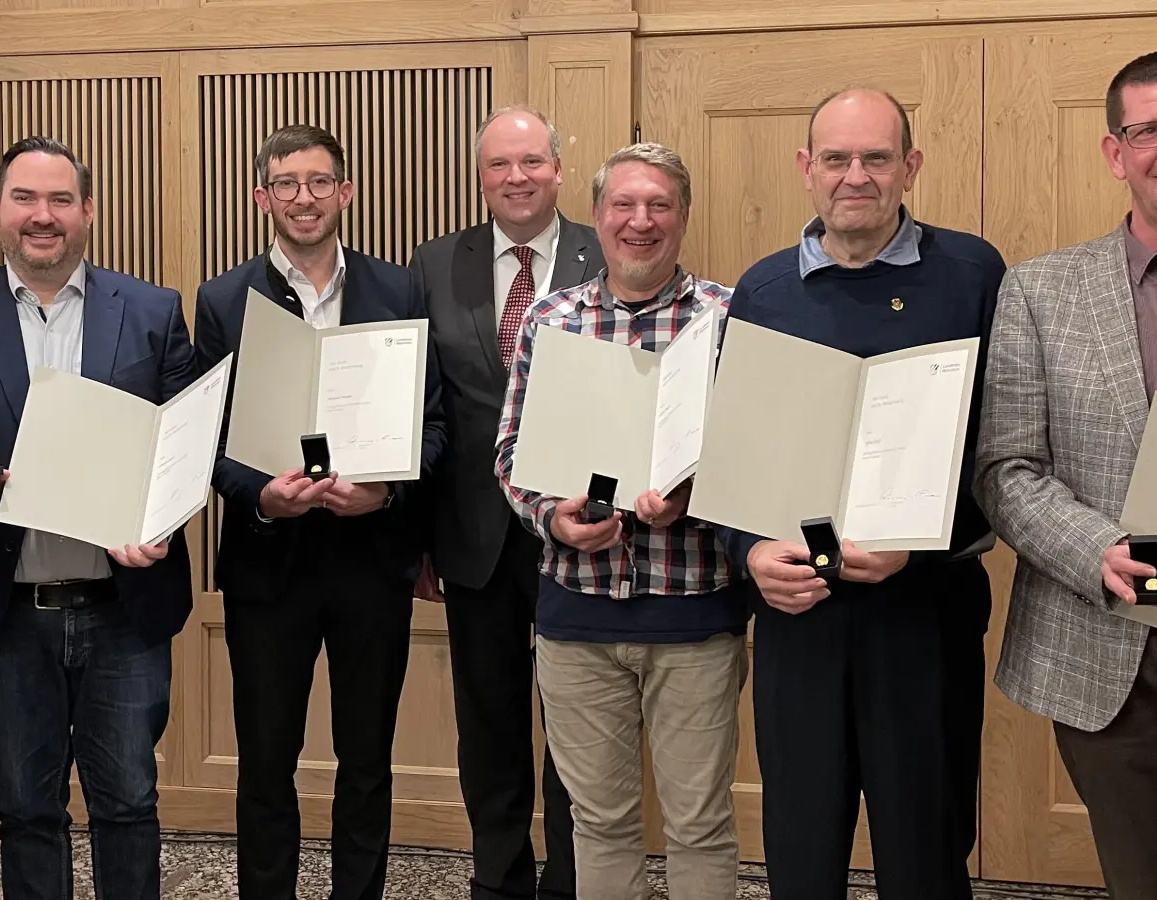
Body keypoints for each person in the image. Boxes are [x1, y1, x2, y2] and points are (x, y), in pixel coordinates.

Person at [976, 49, 1157, 900]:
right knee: (1153, 887)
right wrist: (1095, 546)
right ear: (1115, 151)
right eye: (1149, 129)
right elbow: (1005, 467)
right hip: (1107, 652)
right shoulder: (1038, 292)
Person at [719, 89, 1004, 900]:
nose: (856, 176)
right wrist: (750, 553)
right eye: (836, 158)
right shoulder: (763, 290)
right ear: (806, 169)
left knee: (927, 849)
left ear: (909, 166)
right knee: (802, 855)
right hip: (799, 616)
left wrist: (923, 543)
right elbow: (734, 458)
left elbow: (1004, 446)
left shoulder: (972, 274)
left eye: (876, 157)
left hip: (926, 611)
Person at [0, 136, 195, 900]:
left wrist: (163, 516)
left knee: (129, 804)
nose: (44, 217)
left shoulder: (151, 311)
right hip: (5, 613)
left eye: (61, 200)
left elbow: (186, 444)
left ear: (89, 211)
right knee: (27, 810)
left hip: (122, 610)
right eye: (26, 199)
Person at [192, 123, 446, 900]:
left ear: (346, 192)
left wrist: (389, 490)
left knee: (367, 759)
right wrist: (261, 497)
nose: (304, 198)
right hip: (270, 565)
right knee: (266, 761)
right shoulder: (224, 299)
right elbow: (205, 439)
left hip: (371, 559)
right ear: (262, 196)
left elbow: (433, 424)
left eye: (318, 182)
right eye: (287, 184)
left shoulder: (397, 290)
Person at [495, 142, 745, 900]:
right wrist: (552, 518)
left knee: (700, 823)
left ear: (684, 217)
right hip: (576, 619)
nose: (641, 221)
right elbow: (509, 451)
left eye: (659, 205)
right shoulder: (552, 320)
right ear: (597, 218)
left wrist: (693, 495)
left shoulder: (727, 318)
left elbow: (759, 456)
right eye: (624, 206)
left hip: (694, 616)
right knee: (597, 824)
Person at [409, 104, 599, 900]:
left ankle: (573, 876)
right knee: (487, 722)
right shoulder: (433, 263)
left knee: (578, 726)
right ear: (480, 176)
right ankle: (500, 879)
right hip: (474, 537)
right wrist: (416, 536)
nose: (515, 178)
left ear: (559, 168)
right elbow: (422, 404)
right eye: (498, 165)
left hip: (583, 533)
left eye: (530, 162)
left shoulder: (608, 248)